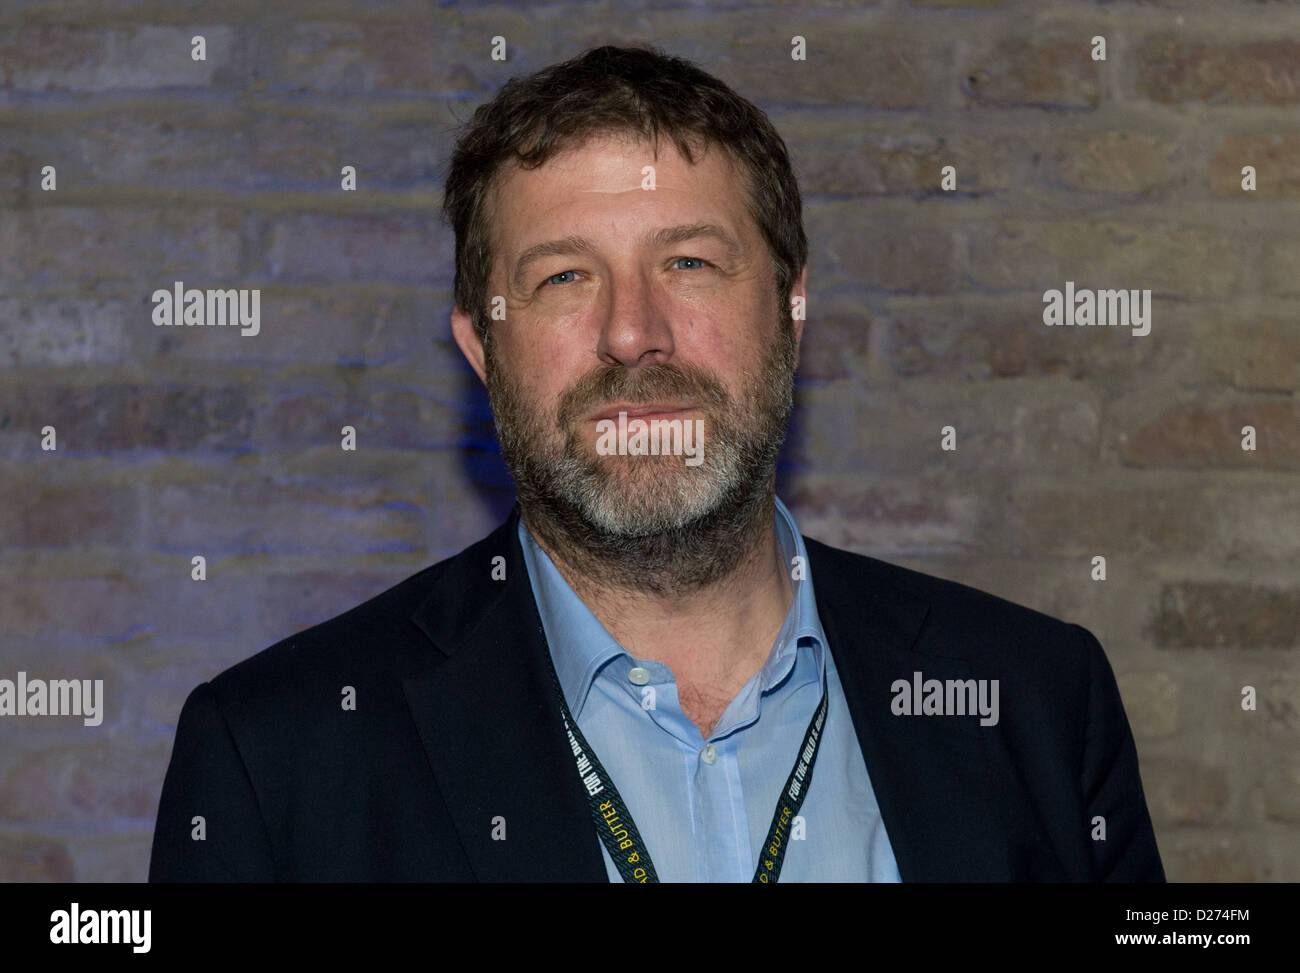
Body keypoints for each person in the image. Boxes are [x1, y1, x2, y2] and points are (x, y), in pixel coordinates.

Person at [150, 44, 1164, 882]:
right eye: (561, 277)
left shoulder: (1033, 697)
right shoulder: (277, 756)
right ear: (480, 345)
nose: (633, 333)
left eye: (688, 262)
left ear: (791, 310)